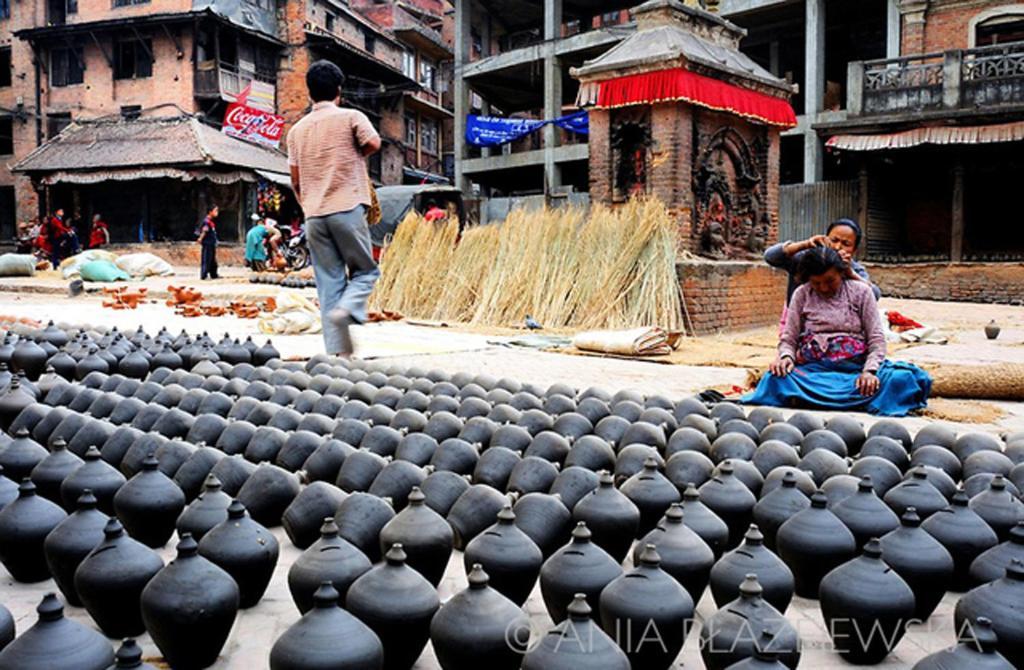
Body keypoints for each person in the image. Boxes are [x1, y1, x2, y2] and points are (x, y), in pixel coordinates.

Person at [744, 247, 931, 416]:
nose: (824, 288)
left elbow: (876, 339)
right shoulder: (802, 294)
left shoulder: (861, 292)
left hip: (856, 371)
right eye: (817, 283)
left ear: (842, 273)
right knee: (774, 378)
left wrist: (869, 372)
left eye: (830, 281)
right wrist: (786, 357)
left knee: (902, 379)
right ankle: (849, 401)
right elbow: (789, 338)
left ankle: (813, 400)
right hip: (814, 372)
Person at [287, 59, 381, 357]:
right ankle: (348, 310)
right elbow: (374, 143)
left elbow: (295, 180)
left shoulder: (296, 131)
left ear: (309, 93)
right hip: (347, 207)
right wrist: (355, 155)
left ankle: (338, 356)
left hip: (313, 216)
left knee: (328, 284)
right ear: (339, 91)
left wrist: (309, 201)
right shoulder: (351, 116)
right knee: (365, 272)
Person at [765, 218, 880, 331]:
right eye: (834, 240)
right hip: (797, 324)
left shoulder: (853, 269)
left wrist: (850, 274)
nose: (837, 247)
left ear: (854, 250)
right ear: (825, 238)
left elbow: (873, 294)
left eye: (846, 244)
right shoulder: (804, 259)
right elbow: (770, 257)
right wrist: (804, 244)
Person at [197, 205, 220, 280]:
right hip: (207, 243)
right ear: (210, 212)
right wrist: (200, 238)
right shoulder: (206, 221)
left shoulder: (211, 221)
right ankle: (204, 275)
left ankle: (214, 274)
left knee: (212, 260)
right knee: (207, 259)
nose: (217, 213)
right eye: (215, 211)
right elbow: (204, 231)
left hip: (211, 243)